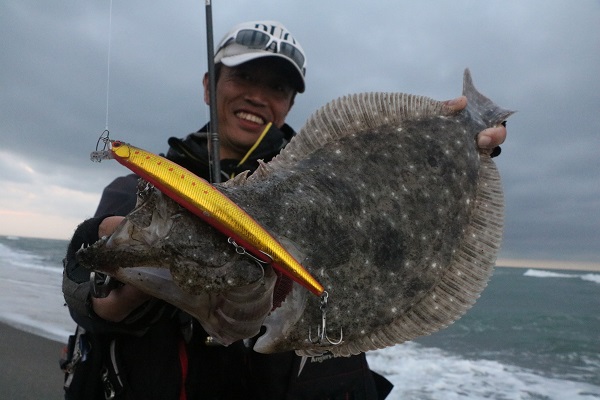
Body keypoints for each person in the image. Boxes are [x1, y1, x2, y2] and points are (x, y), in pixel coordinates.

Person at [62, 20, 507, 400]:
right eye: (243, 78)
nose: (258, 96)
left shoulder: (334, 181)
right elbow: (91, 284)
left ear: (290, 104)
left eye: (276, 87)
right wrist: (105, 270)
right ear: (208, 85)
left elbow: (390, 230)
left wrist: (458, 154)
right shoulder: (141, 186)